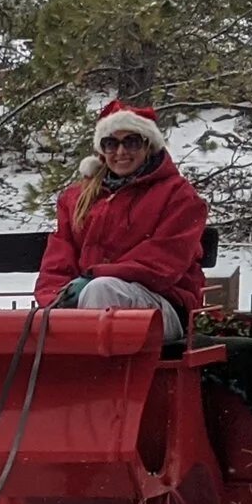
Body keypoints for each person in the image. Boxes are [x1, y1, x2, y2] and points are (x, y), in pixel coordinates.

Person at [36, 100, 211, 341]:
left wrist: (93, 276)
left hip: (162, 305)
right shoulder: (76, 198)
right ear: (101, 150)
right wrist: (55, 297)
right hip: (92, 303)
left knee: (102, 290)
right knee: (43, 321)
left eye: (131, 142)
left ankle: (95, 375)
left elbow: (164, 260)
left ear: (148, 145)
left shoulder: (178, 195)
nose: (120, 152)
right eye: (111, 144)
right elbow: (59, 256)